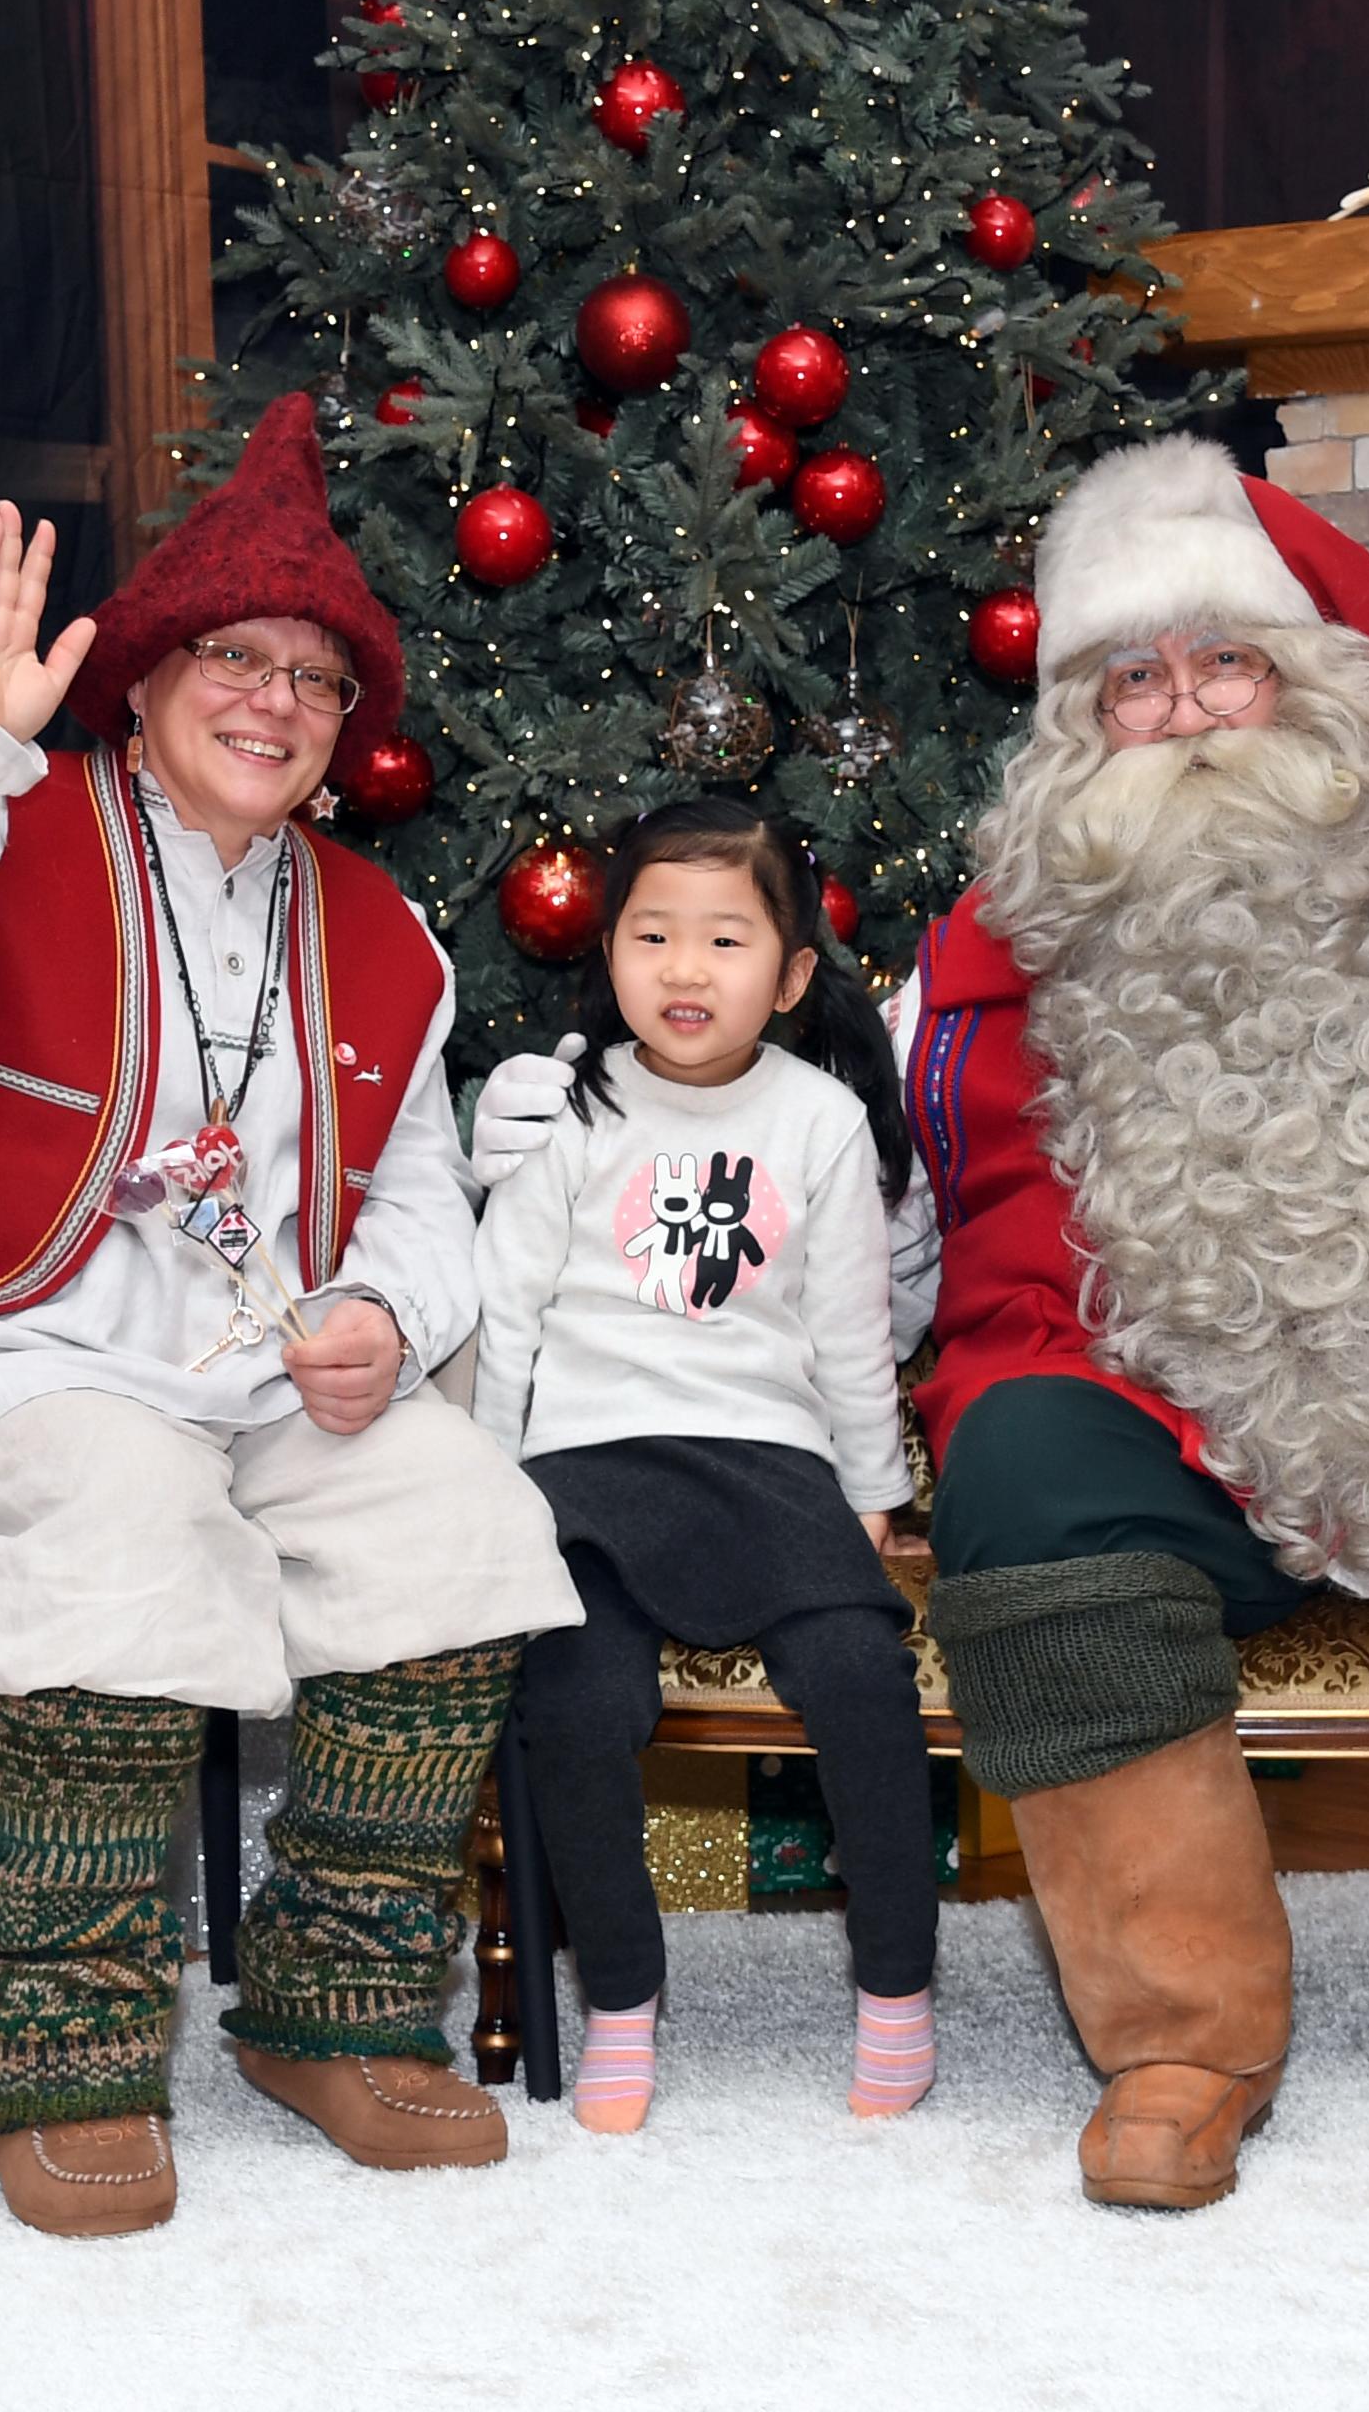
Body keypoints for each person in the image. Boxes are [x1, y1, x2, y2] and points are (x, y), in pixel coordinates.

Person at [478, 390, 1369, 2225]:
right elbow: (846, 1233)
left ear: (1312, 681)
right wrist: (591, 1145)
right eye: (1130, 684)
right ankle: (1184, 2038)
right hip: (1177, 1431)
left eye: (1223, 664)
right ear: (1073, 736)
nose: (1178, 712)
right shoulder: (970, 985)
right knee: (1019, 1459)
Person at [0, 396, 580, 2238]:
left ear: (351, 733)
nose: (271, 700)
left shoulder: (384, 935)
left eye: (315, 680)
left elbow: (422, 1197)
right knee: (130, 1524)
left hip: (262, 1379)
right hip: (1, 1358)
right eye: (232, 658)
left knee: (464, 1513)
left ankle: (334, 2003)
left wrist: (376, 1306)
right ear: (152, 673)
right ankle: (67, 2039)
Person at [471, 799, 940, 2133]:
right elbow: (508, 1318)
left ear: (791, 976)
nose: (685, 970)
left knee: (861, 1679)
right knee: (574, 1702)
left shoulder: (822, 1123)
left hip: (766, 1462)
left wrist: (870, 1503)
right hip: (584, 1465)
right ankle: (621, 1998)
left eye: (726, 940)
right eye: (652, 935)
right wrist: (491, 1497)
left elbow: (853, 1337)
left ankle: (897, 1991)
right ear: (606, 952)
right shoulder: (570, 1109)